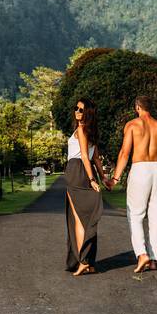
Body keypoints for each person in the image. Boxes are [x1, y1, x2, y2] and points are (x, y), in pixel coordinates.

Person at [110, 96, 157, 273]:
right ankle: (153, 259)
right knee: (155, 216)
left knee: (135, 215)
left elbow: (124, 152)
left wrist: (115, 178)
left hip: (140, 168)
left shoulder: (133, 125)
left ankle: (142, 254)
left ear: (137, 107)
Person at [64, 97, 106, 276]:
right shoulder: (90, 131)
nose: (77, 111)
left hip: (77, 172)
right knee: (85, 219)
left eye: (81, 110)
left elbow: (84, 156)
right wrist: (103, 177)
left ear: (87, 113)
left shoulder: (82, 130)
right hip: (84, 172)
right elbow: (96, 158)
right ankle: (89, 262)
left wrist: (92, 179)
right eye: (76, 108)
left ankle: (83, 261)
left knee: (78, 219)